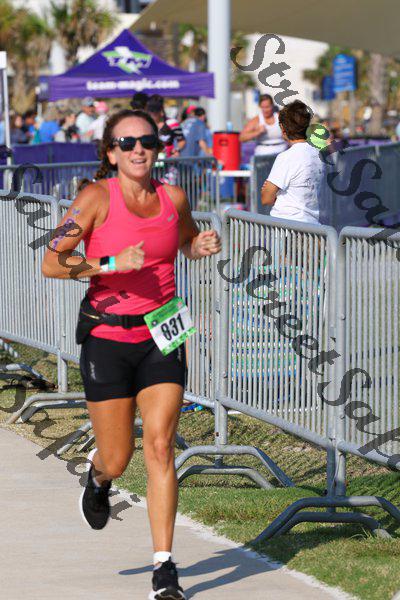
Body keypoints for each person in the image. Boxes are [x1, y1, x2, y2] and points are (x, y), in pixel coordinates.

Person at [41, 108, 221, 600]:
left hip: (164, 333)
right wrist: (110, 263)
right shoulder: (95, 198)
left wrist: (198, 246)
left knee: (161, 446)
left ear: (158, 148)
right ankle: (98, 478)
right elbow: (52, 262)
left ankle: (164, 567)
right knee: (119, 459)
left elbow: (182, 240)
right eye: (127, 143)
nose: (138, 149)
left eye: (147, 141)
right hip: (108, 338)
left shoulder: (173, 198)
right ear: (111, 152)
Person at [261, 100, 325, 224]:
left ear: (282, 127)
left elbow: (266, 198)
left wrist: (274, 194)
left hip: (287, 227)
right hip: (312, 225)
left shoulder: (286, 157)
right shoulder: (318, 155)